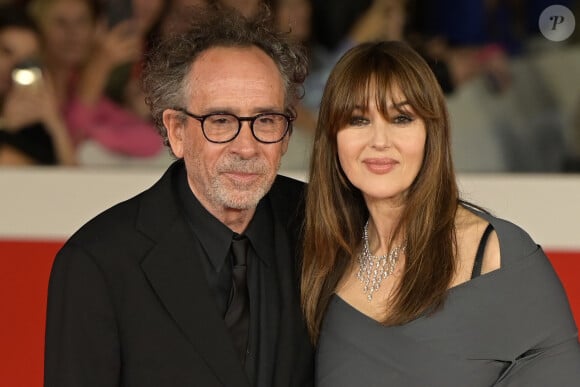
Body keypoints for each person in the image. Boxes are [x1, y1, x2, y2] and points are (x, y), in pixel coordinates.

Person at [44, 4, 313, 387]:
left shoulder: (322, 226)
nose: (247, 147)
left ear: (286, 133)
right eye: (221, 121)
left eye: (266, 121)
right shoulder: (97, 262)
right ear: (177, 131)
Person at [301, 40, 580, 386]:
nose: (379, 140)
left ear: (431, 133)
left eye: (401, 118)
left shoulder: (498, 254)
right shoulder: (325, 256)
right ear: (333, 138)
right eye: (358, 120)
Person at [0, 3, 76, 166]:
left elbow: (76, 181)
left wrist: (55, 124)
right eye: (6, 52)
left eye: (27, 59)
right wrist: (5, 124)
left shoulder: (34, 120)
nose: (15, 66)